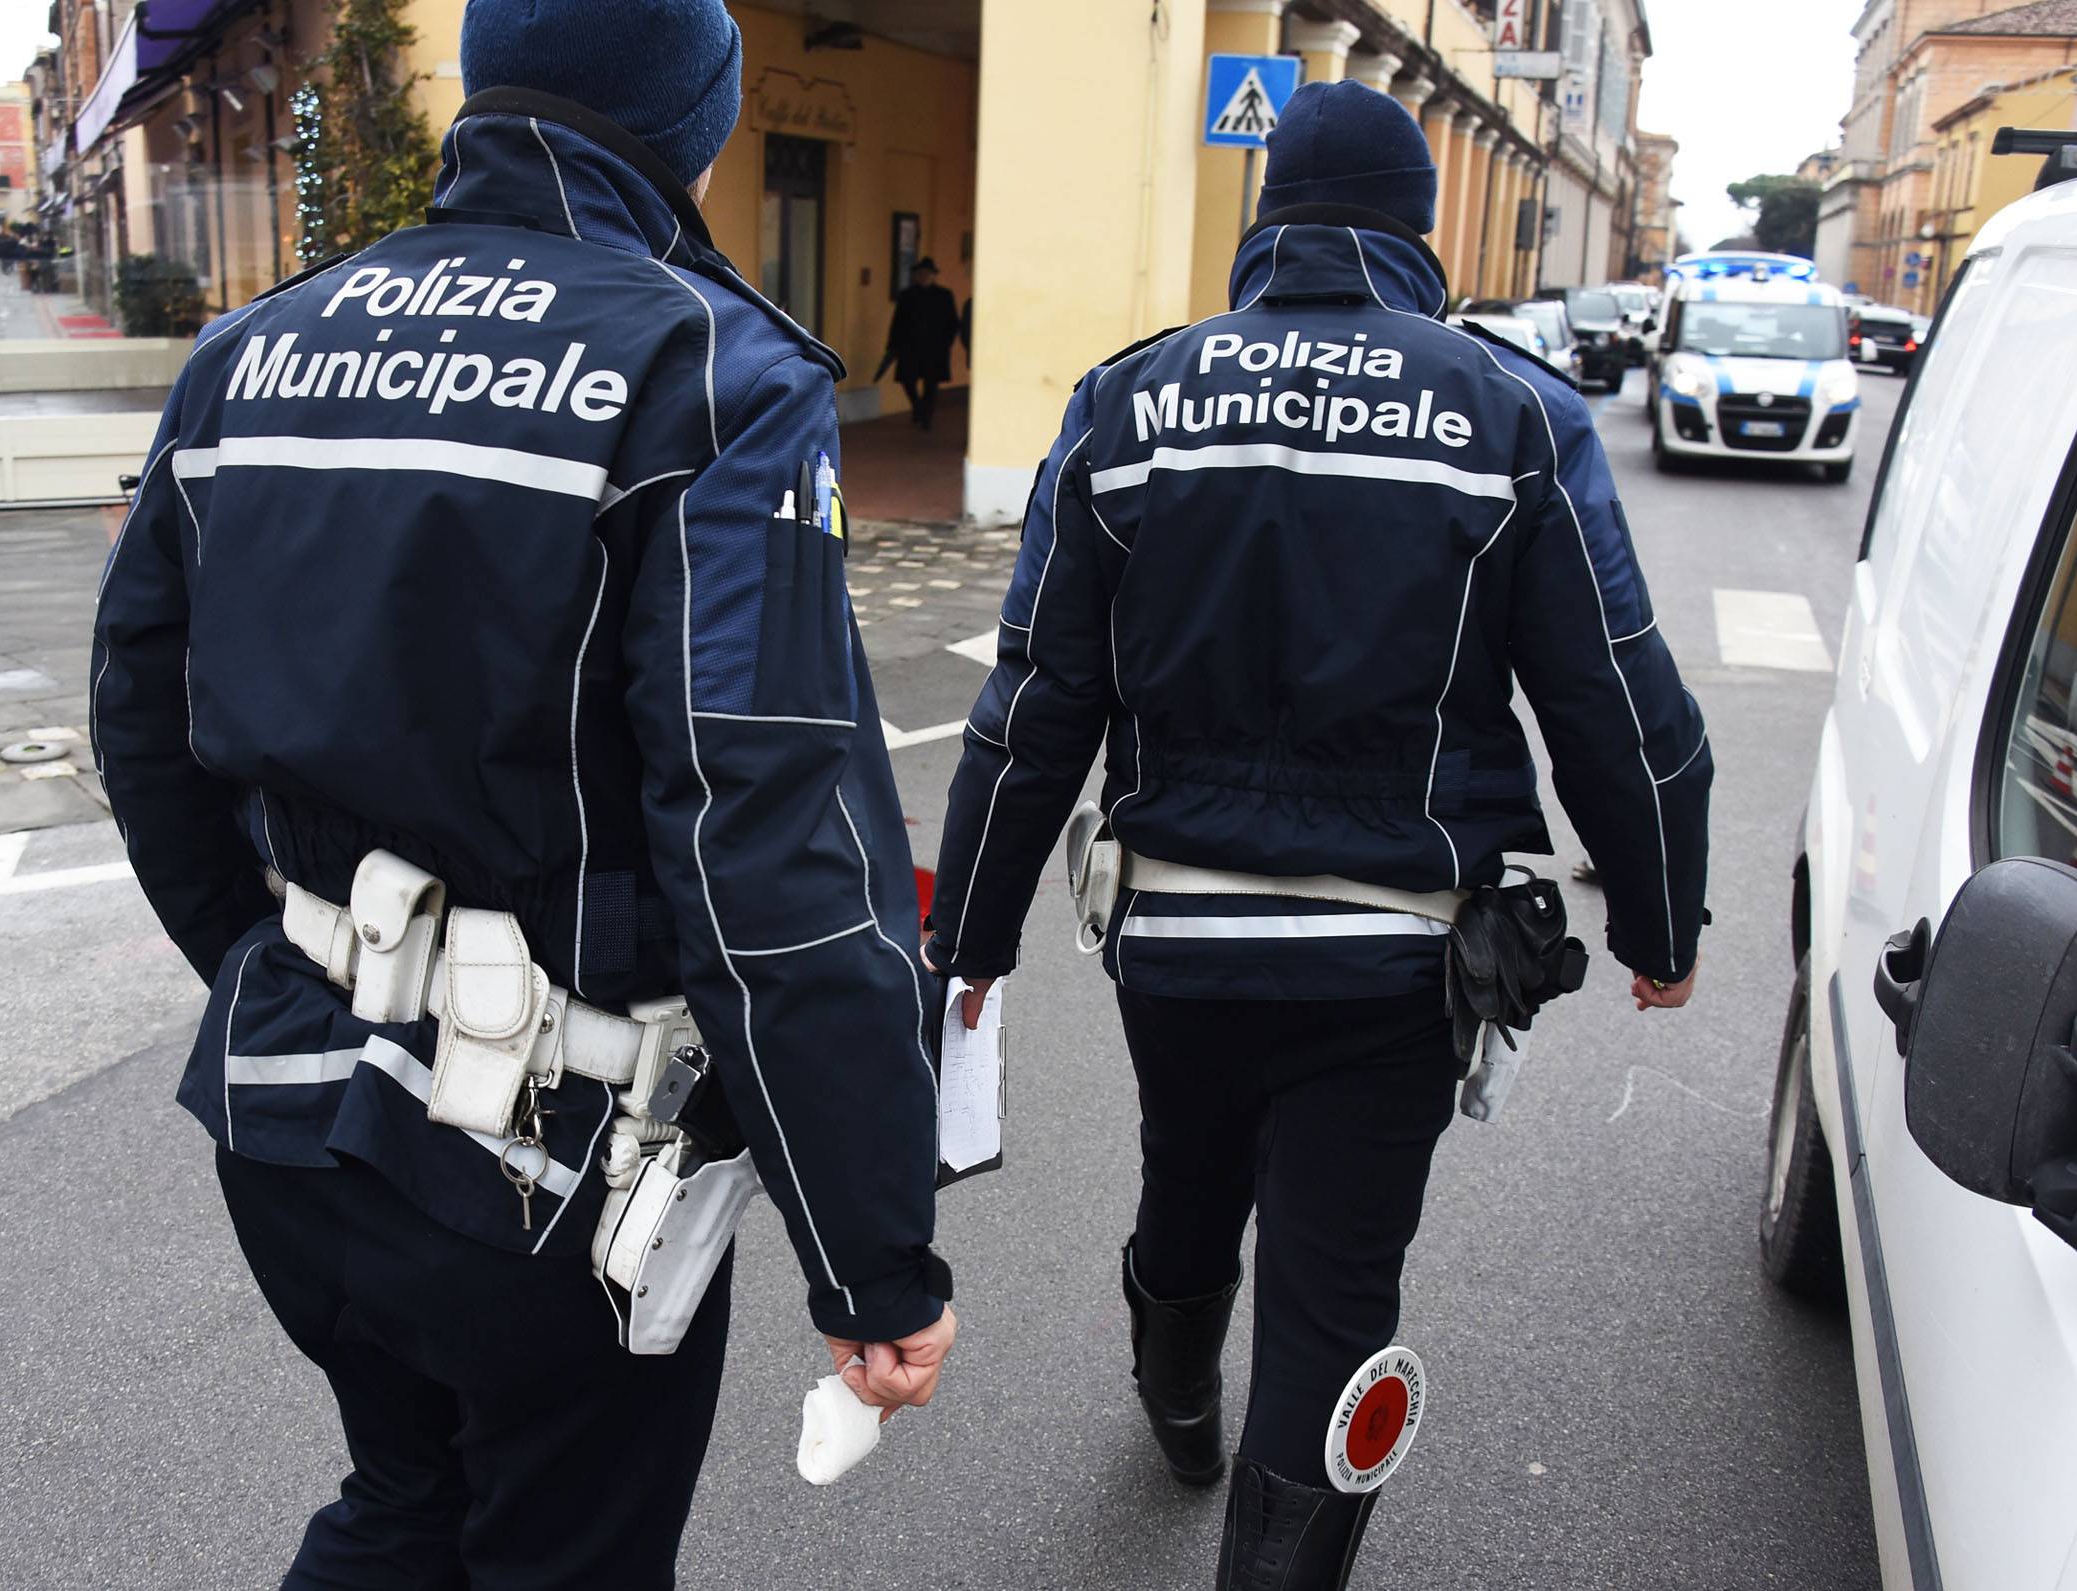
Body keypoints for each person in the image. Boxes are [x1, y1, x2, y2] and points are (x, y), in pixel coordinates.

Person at [91, 3, 957, 1585]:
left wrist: (276, 967)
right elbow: (766, 846)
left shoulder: (250, 351)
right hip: (544, 1175)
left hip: (286, 1118)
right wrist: (870, 1257)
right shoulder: (704, 364)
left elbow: (141, 727)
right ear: (697, 121)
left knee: (406, 1504)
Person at [922, 79, 1711, 1590]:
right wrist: (1659, 922)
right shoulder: (1511, 413)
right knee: (1335, 1293)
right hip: (1394, 970)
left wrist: (970, 935)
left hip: (1177, 944)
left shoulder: (1129, 399)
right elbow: (1618, 703)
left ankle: (1173, 1392)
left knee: (1186, 1176)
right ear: (1417, 225)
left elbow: (1034, 700)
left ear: (1263, 215)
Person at [880, 256, 959, 430]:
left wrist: (946, 342)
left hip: (935, 348)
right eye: (921, 274)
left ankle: (926, 416)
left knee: (931, 384)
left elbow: (952, 322)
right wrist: (893, 344)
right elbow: (898, 322)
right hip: (910, 347)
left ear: (933, 276)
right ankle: (918, 406)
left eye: (927, 274)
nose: (924, 277)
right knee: (907, 380)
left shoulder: (944, 296)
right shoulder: (907, 296)